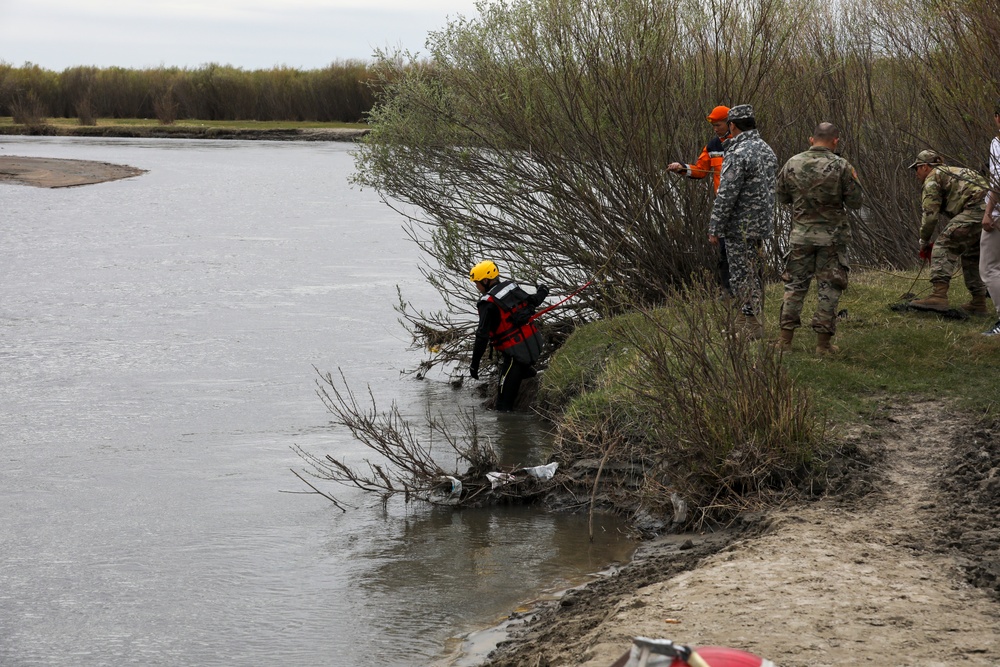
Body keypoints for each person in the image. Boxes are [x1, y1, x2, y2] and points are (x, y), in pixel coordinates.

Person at [774, 122, 864, 354]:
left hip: (800, 236)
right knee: (829, 288)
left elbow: (782, 197)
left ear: (811, 139)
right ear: (836, 141)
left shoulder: (792, 163)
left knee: (794, 286)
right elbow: (855, 201)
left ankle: (785, 342)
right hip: (831, 238)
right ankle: (823, 345)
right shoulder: (842, 166)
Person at [707, 104, 778, 339]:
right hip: (761, 224)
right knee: (754, 273)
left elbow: (727, 194)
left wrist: (715, 227)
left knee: (740, 276)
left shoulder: (738, 153)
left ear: (733, 125)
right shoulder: (767, 150)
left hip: (739, 226)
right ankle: (746, 321)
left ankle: (750, 326)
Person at [907, 150, 989, 313]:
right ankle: (978, 302)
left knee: (943, 245)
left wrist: (923, 241)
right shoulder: (954, 171)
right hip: (991, 211)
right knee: (971, 254)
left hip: (977, 210)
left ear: (924, 167)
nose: (915, 173)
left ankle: (939, 295)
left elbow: (930, 216)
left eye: (916, 168)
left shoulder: (932, 178)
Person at [668, 105, 733, 294]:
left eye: (718, 124)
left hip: (741, 205)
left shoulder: (740, 143)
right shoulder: (713, 145)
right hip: (722, 205)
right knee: (724, 251)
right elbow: (699, 169)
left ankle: (750, 289)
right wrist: (681, 167)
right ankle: (728, 291)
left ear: (730, 124)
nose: (715, 128)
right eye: (713, 125)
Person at [468, 260, 548, 411]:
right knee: (510, 375)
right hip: (534, 346)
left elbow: (482, 336)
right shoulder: (511, 287)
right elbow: (534, 301)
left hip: (515, 356)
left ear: (485, 281)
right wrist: (543, 291)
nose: (477, 287)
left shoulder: (488, 303)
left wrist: (474, 365)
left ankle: (510, 431)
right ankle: (526, 372)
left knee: (502, 407)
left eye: (477, 283)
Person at [981, 100, 1000, 336]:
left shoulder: (997, 143)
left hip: (998, 214)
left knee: (989, 268)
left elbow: (998, 181)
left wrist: (988, 212)